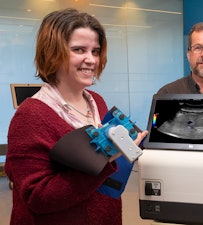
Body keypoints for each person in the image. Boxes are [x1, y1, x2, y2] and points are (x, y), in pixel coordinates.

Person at [5, 8, 147, 225]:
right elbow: (37, 198)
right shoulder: (31, 116)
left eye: (96, 51)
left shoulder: (96, 101)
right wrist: (109, 157)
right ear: (53, 53)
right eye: (79, 49)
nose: (91, 60)